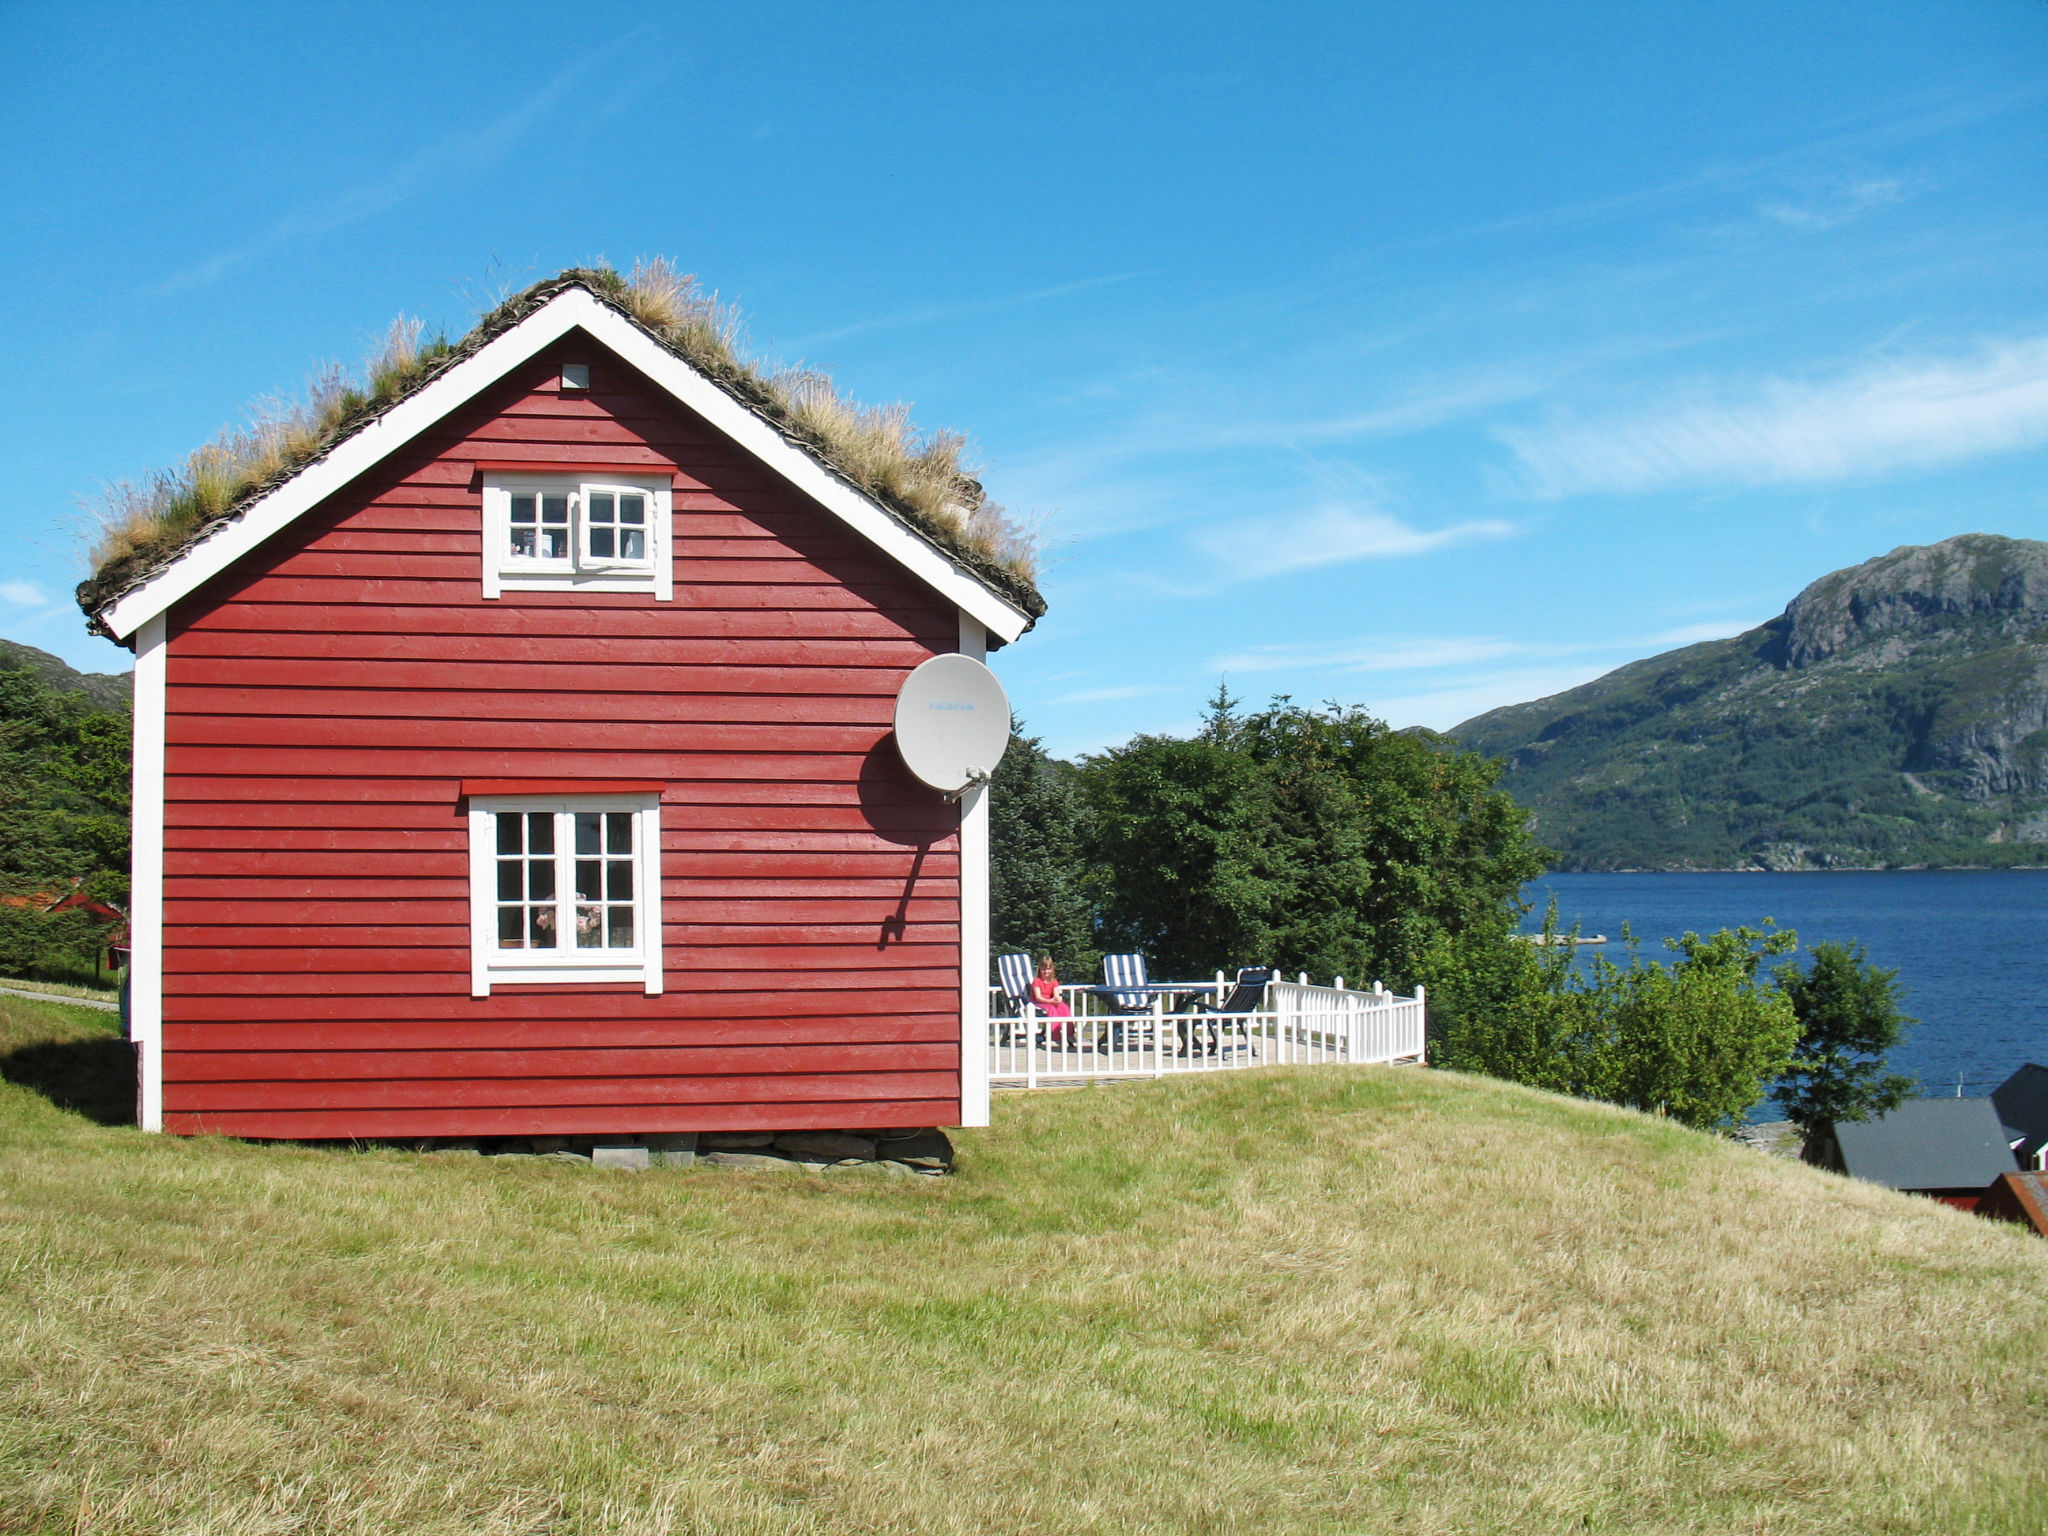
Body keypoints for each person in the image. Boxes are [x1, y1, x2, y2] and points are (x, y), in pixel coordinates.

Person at [1029, 954, 1074, 1043]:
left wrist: (1057, 999)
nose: (1046, 971)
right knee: (1052, 1009)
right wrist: (1050, 1001)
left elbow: (1056, 994)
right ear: (1040, 969)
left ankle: (1069, 1033)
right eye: (1043, 969)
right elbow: (1038, 997)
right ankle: (1055, 1035)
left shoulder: (1053, 981)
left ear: (1052, 969)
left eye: (1048, 969)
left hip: (1050, 1001)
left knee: (1064, 1007)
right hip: (1039, 1002)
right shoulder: (1037, 981)